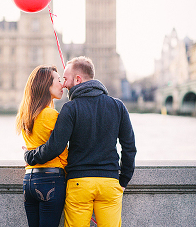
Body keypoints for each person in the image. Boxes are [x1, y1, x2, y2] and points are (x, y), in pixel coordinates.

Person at [24, 56, 137, 227]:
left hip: (79, 183)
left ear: (78, 79)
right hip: (109, 183)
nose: (64, 84)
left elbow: (55, 146)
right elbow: (129, 148)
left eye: (66, 79)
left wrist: (30, 156)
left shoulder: (70, 108)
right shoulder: (118, 106)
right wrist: (123, 180)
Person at [16, 65, 68, 227]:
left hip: (29, 180)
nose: (63, 85)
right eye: (58, 80)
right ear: (46, 85)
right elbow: (60, 150)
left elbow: (33, 147)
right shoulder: (51, 115)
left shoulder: (26, 115)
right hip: (51, 179)